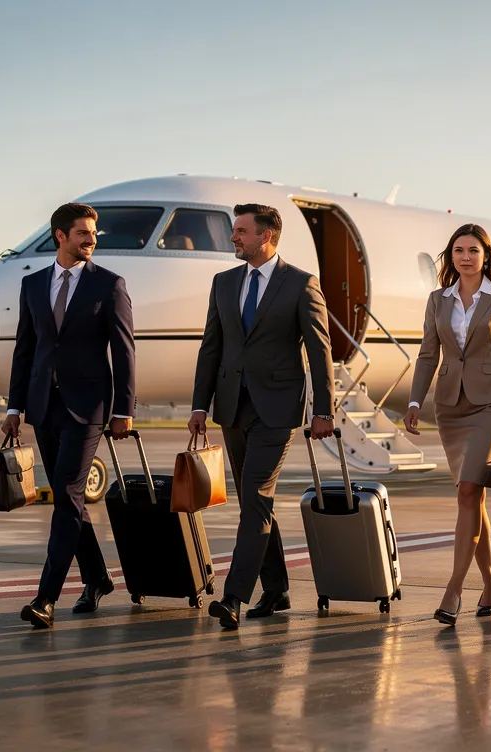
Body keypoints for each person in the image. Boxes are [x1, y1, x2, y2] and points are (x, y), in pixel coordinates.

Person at [189, 203, 336, 630]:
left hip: (277, 408)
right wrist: (199, 405)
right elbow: (211, 347)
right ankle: (276, 589)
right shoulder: (224, 282)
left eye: (241, 230)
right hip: (232, 406)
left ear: (266, 236)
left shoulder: (301, 283)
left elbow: (320, 350)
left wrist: (324, 410)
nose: (233, 237)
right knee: (254, 502)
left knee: (254, 497)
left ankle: (234, 597)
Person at [2, 203, 136, 629]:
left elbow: (125, 351)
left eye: (94, 233)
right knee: (68, 498)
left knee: (67, 495)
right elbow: (26, 349)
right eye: (82, 232)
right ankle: (97, 577)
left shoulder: (109, 284)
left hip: (88, 407)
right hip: (44, 405)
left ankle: (45, 598)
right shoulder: (32, 285)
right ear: (60, 236)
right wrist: (14, 407)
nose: (91, 239)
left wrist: (124, 410)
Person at [405, 223, 491, 627]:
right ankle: (490, 582)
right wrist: (415, 400)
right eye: (458, 250)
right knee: (471, 497)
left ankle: (454, 588)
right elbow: (428, 354)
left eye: (473, 250)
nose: (465, 257)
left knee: (468, 490)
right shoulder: (438, 299)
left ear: (485, 256)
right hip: (450, 407)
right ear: (451, 256)